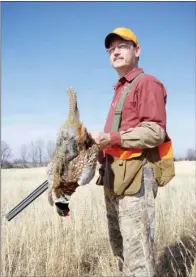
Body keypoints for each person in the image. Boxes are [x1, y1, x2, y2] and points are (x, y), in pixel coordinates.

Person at [90, 27, 175, 277]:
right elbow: (114, 139)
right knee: (120, 251)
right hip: (114, 178)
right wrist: (94, 151)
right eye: (111, 49)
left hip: (136, 179)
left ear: (137, 51)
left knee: (137, 257)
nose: (115, 52)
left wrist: (111, 138)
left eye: (122, 46)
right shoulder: (119, 89)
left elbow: (155, 131)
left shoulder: (146, 83)